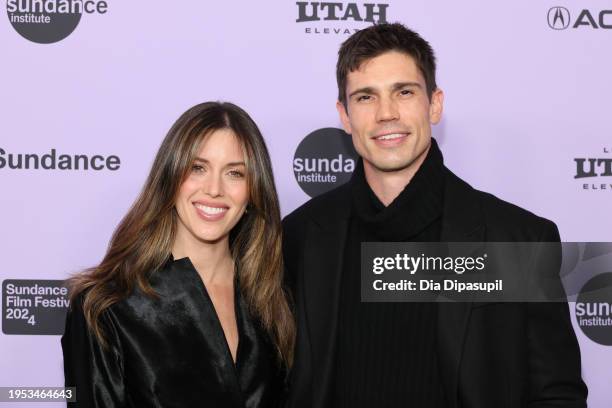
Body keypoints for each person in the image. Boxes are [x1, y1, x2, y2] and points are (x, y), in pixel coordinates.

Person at [282, 23, 587, 407]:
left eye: (404, 92)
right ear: (344, 116)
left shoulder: (515, 238)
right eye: (365, 97)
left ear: (435, 104)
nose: (386, 114)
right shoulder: (301, 237)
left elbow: (556, 394)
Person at [62, 102, 294, 408]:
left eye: (235, 173)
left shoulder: (273, 302)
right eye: (197, 168)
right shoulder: (106, 305)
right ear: (170, 178)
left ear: (253, 191)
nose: (214, 189)